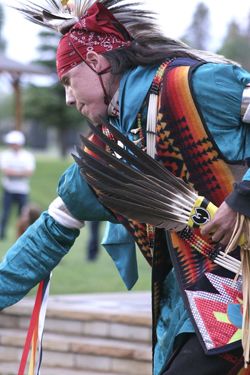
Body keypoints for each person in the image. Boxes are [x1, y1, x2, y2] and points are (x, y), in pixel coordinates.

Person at [0, 1, 250, 374]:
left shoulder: (193, 85)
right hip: (196, 312)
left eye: (69, 79)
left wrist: (242, 198)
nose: (68, 97)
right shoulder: (111, 157)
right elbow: (50, 231)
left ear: (98, 62)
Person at [0, 130, 36, 239]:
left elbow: (29, 172)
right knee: (5, 213)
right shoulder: (4, 155)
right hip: (8, 189)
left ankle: (21, 235)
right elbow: (6, 171)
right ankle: (2, 234)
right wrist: (21, 173)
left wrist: (13, 172)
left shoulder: (27, 156)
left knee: (23, 215)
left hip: (22, 190)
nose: (12, 145)